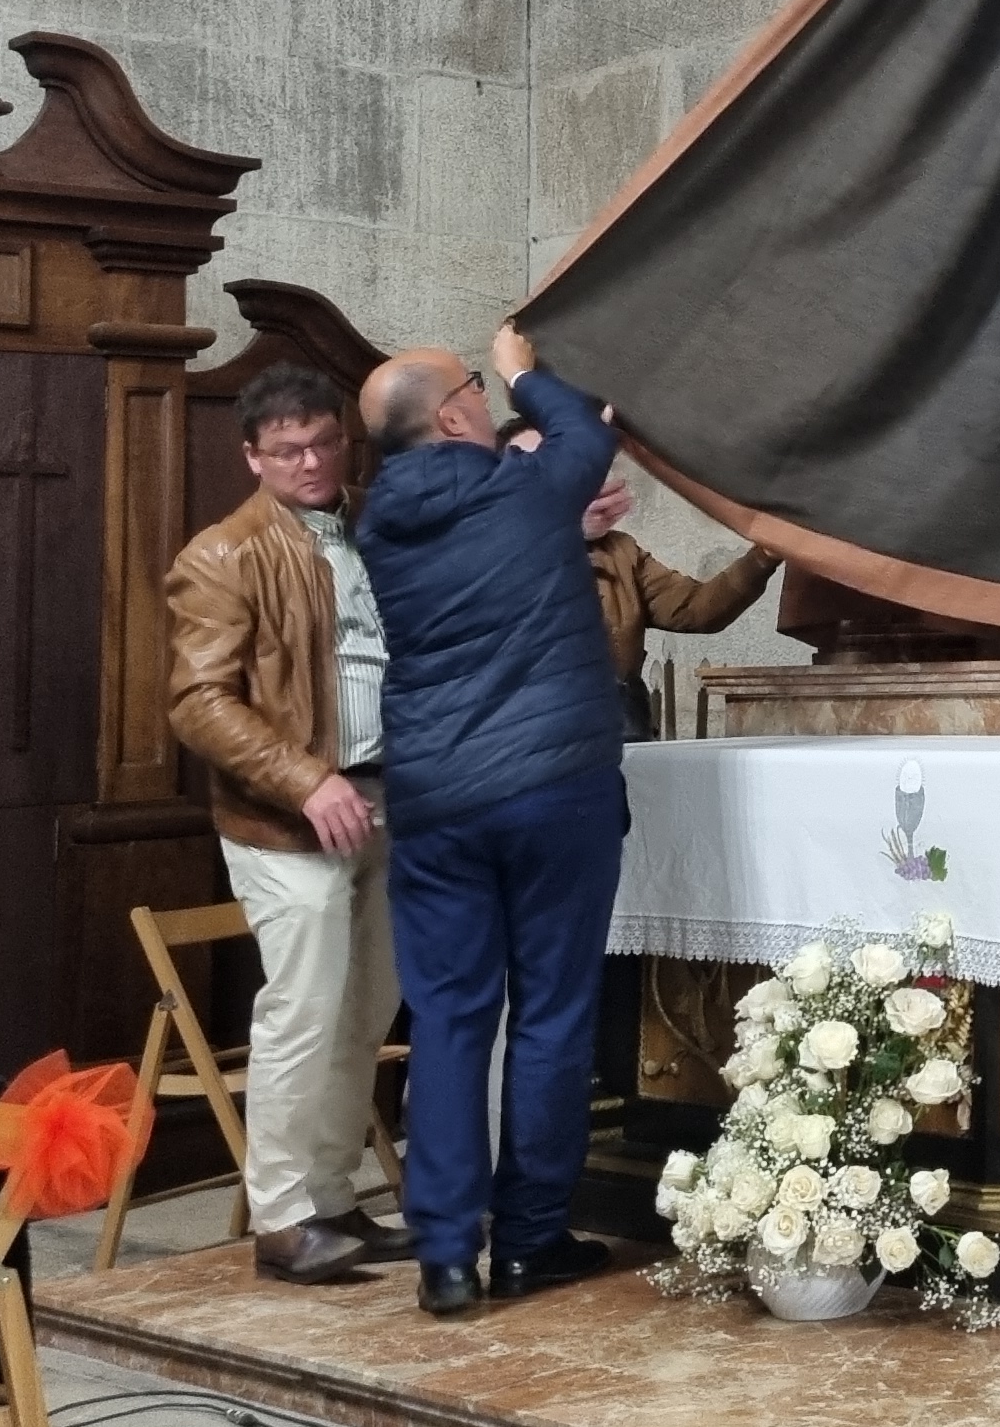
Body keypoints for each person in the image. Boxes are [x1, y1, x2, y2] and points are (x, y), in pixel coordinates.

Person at [353, 322, 628, 1316]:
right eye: (472, 385)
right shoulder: (526, 490)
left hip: (435, 799)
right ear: (455, 415)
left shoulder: (377, 523)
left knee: (449, 1018)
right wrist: (524, 371)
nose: (483, 392)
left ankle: (442, 1256)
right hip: (555, 787)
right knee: (551, 1013)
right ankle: (528, 1242)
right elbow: (588, 435)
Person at [162, 364, 407, 1283]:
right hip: (287, 817)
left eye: (324, 443)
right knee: (303, 1008)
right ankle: (281, 1217)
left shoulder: (378, 523)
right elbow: (198, 702)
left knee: (366, 1008)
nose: (310, 462)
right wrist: (307, 782)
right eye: (288, 450)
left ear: (346, 440)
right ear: (252, 458)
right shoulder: (222, 554)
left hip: (392, 799)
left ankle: (335, 1198)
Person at [579, 473, 775, 739]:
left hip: (619, 728)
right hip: (541, 734)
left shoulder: (620, 551)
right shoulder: (520, 547)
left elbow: (696, 609)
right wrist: (564, 534)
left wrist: (766, 554)